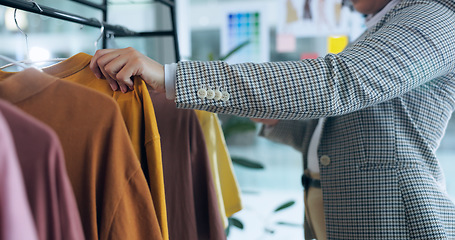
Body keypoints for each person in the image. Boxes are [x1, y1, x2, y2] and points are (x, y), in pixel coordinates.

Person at [90, 0, 455, 238]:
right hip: (335, 204)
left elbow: (339, 82)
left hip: (391, 215)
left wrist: (175, 78)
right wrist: (184, 95)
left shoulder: (436, 13)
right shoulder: (392, 19)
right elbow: (339, 123)